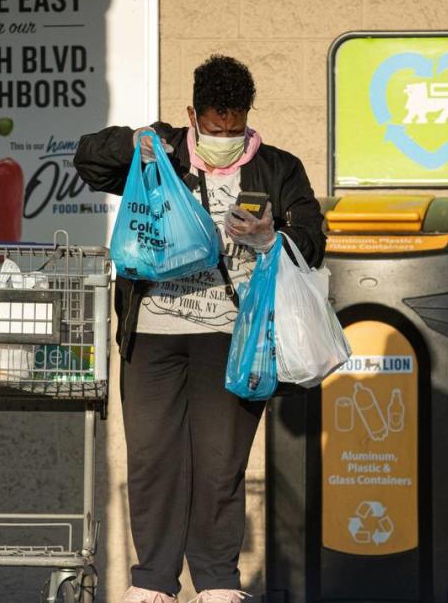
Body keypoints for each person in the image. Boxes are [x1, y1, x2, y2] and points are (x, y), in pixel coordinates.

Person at [74, 55, 325, 603]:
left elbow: (312, 238)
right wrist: (131, 143)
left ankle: (215, 584)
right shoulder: (162, 153)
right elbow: (87, 160)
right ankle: (154, 584)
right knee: (150, 458)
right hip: (153, 333)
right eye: (214, 129)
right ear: (193, 115)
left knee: (219, 463)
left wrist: (269, 239)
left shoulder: (278, 169)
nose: (225, 139)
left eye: (235, 129)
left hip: (233, 339)